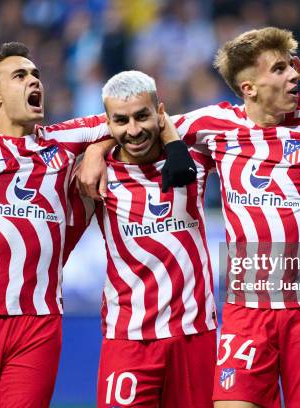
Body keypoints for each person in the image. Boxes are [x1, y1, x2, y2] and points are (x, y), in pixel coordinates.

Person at [0, 17, 195, 408]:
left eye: (36, 74)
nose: (34, 81)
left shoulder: (65, 138)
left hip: (39, 324)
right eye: (20, 76)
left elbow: (129, 119)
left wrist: (94, 150)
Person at [79, 27, 300, 408]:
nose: (293, 76)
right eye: (280, 69)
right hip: (245, 311)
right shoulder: (215, 125)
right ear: (249, 88)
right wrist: (95, 150)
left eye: (290, 67)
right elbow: (145, 123)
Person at [64, 70, 218, 407]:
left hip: (194, 334)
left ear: (159, 113)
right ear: (108, 123)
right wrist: (94, 152)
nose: (133, 130)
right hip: (129, 337)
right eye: (121, 121)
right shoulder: (95, 177)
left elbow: (256, 125)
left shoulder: (199, 160)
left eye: (142, 116)